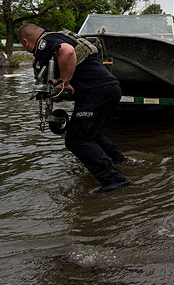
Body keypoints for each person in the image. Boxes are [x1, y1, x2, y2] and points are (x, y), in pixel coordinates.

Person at [18, 23, 131, 193]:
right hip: (107, 88)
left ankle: (115, 180)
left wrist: (65, 81)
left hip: (96, 91)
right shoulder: (57, 34)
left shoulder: (45, 42)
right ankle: (120, 160)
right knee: (91, 133)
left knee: (76, 140)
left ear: (26, 42)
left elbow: (68, 51)